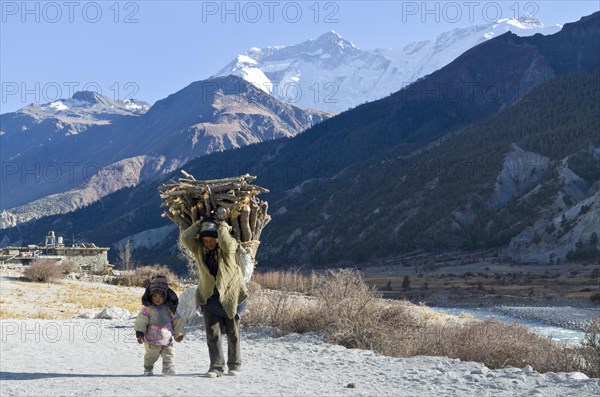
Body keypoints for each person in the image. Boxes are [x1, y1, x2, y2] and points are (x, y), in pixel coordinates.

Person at [181, 215, 248, 378]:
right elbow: (185, 237)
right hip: (209, 297)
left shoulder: (228, 249)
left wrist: (221, 225)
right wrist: (200, 223)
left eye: (212, 239)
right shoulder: (199, 250)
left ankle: (235, 365)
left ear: (218, 238)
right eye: (205, 240)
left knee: (233, 333)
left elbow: (226, 241)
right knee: (212, 333)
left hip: (231, 296)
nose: (209, 243)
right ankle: (216, 367)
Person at [134, 274, 185, 376]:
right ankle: (148, 368)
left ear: (166, 296)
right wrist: (140, 334)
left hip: (167, 338)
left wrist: (179, 333)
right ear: (150, 296)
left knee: (169, 354)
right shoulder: (147, 309)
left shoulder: (169, 309)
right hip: (152, 339)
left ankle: (168, 367)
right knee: (151, 355)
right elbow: (141, 321)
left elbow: (177, 320)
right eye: (155, 296)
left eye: (161, 296)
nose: (158, 298)